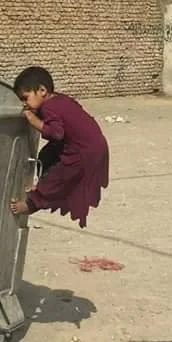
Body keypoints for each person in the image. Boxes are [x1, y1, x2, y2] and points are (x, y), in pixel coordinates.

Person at [10, 66, 109, 228]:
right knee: (46, 155)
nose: (24, 104)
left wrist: (33, 120)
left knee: (59, 178)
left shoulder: (49, 107)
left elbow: (56, 133)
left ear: (42, 90)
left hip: (82, 152)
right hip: (95, 145)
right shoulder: (60, 100)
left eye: (25, 98)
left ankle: (31, 204)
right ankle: (42, 183)